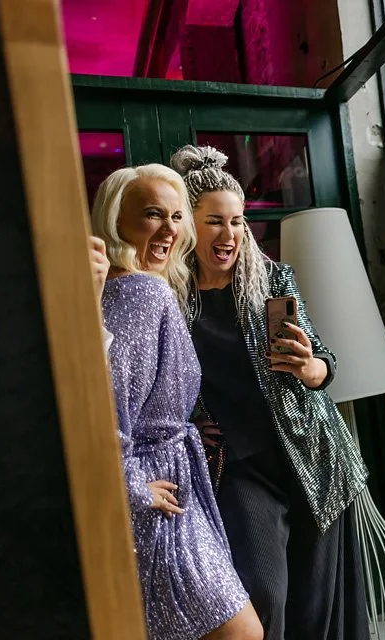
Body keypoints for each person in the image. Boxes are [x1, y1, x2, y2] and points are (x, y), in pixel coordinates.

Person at [170, 145, 370, 640]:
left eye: (237, 221)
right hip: (238, 468)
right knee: (263, 592)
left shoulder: (272, 281)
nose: (230, 234)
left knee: (318, 604)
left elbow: (327, 363)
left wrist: (312, 367)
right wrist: (189, 418)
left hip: (313, 453)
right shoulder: (170, 298)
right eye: (215, 221)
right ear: (190, 227)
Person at [90, 164, 263, 640]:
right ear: (115, 219)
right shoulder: (142, 292)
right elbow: (107, 400)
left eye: (176, 215)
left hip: (162, 475)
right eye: (152, 214)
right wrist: (132, 489)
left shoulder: (121, 289)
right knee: (240, 632)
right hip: (157, 489)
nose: (169, 228)